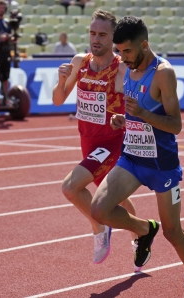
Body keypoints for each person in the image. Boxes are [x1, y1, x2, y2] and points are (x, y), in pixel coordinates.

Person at [90, 16, 184, 298]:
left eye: (127, 51)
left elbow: (175, 125)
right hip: (132, 158)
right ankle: (143, 230)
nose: (122, 57)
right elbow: (136, 112)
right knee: (99, 209)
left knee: (173, 232)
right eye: (119, 51)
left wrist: (142, 115)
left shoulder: (163, 73)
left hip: (162, 165)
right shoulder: (128, 67)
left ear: (144, 44)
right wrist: (125, 119)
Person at [52, 10, 137, 266]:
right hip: (88, 141)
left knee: (70, 187)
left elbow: (136, 106)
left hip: (110, 144)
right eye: (92, 33)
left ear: (114, 37)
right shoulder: (80, 61)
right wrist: (62, 79)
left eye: (102, 34)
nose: (96, 39)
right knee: (118, 198)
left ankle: (99, 229)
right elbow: (58, 100)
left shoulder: (121, 67)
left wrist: (122, 117)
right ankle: (141, 233)